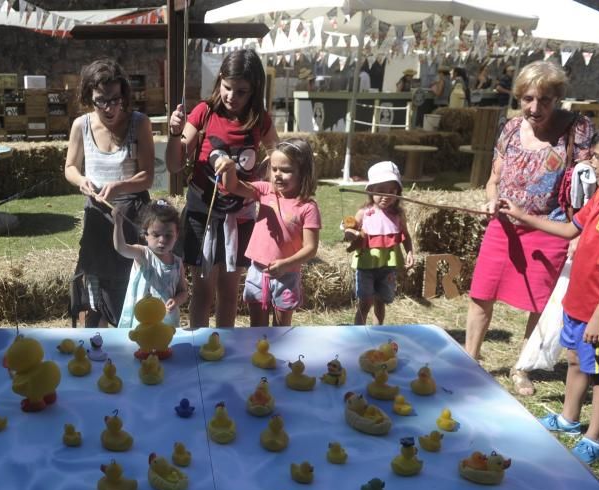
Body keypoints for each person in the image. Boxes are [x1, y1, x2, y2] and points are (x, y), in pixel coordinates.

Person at [499, 119, 599, 464]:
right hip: (579, 298)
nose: (590, 161)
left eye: (596, 155)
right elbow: (570, 229)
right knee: (575, 359)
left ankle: (595, 438)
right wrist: (522, 216)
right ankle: (569, 419)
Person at [465, 61, 594, 396]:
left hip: (549, 226)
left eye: (545, 100)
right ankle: (469, 358)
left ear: (558, 99)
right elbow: (493, 180)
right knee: (482, 292)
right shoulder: (509, 129)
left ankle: (523, 366)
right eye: (528, 99)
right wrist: (492, 201)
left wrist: (578, 233)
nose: (535, 108)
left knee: (538, 302)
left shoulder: (576, 130)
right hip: (504, 225)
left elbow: (585, 185)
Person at [166, 49, 279, 328]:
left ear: (254, 91)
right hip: (202, 214)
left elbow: (278, 157)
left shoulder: (259, 119)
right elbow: (174, 164)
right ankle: (200, 344)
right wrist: (173, 134)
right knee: (203, 292)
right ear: (220, 81)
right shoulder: (204, 112)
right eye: (228, 88)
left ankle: (222, 346)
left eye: (242, 91)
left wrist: (267, 185)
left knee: (229, 292)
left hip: (239, 216)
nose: (232, 97)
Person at [65, 59, 155, 328]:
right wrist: (81, 181)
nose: (109, 107)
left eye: (115, 99)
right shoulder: (81, 125)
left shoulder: (139, 123)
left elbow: (148, 176)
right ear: (88, 98)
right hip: (97, 218)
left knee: (129, 289)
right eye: (100, 101)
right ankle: (93, 350)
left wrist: (119, 186)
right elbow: (70, 166)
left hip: (131, 218)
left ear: (124, 95)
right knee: (94, 289)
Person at [215, 138, 321, 327]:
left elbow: (311, 248)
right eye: (274, 169)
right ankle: (259, 354)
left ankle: (278, 355)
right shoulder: (265, 191)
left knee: (281, 327)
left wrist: (286, 264)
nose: (278, 175)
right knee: (257, 326)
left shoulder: (308, 207)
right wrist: (229, 169)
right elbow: (233, 186)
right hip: (258, 270)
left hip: (286, 275)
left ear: (303, 172)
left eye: (286, 170)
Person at [344, 161, 415, 325]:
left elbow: (406, 236)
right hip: (366, 266)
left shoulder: (398, 215)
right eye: (381, 191)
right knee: (365, 302)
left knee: (380, 301)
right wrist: (350, 234)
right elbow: (350, 229)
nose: (386, 196)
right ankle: (358, 332)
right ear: (371, 191)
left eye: (392, 191)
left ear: (398, 192)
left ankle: (377, 332)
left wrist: (410, 252)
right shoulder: (364, 213)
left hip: (387, 267)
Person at [114, 200, 187, 328]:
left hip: (167, 322)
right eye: (156, 235)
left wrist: (176, 301)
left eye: (168, 235)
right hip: (142, 322)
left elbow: (183, 292)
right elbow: (121, 248)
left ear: (177, 235)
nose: (162, 241)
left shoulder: (177, 262)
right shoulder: (143, 254)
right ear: (145, 234)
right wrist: (118, 224)